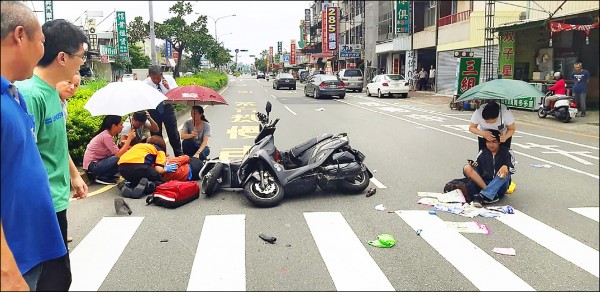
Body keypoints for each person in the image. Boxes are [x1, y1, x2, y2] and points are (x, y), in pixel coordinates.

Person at [15, 18, 89, 291]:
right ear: (62, 58)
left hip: (56, 200)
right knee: (52, 279)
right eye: (80, 57)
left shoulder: (51, 94)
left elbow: (54, 142)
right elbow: (23, 157)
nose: (81, 63)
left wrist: (73, 175)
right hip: (42, 204)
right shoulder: (30, 94)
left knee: (58, 276)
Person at [1, 2, 66, 290]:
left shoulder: (14, 94)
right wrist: (6, 272)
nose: (43, 52)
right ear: (19, 36)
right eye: (41, 41)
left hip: (33, 251)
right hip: (13, 263)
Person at [463, 130, 515, 208]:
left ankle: (484, 195)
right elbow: (478, 169)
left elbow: (512, 169)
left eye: (494, 142)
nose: (491, 145)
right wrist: (474, 165)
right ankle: (488, 194)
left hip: (499, 186)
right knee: (467, 167)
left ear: (499, 142)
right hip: (484, 183)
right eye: (488, 142)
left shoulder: (507, 152)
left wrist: (506, 167)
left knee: (505, 171)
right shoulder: (483, 152)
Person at [83, 115, 135, 185]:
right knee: (118, 158)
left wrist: (124, 144)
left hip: (96, 163)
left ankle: (106, 176)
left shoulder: (108, 135)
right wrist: (129, 139)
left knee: (121, 157)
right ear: (114, 126)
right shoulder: (106, 136)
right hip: (93, 166)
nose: (122, 126)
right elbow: (118, 154)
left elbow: (115, 152)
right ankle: (102, 177)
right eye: (121, 124)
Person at [145, 66, 183, 156]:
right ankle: (160, 156)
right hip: (154, 110)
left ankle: (179, 155)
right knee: (156, 135)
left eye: (158, 78)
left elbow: (177, 93)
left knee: (173, 133)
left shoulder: (169, 79)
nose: (156, 80)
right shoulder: (146, 83)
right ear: (149, 76)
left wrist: (168, 87)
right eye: (153, 78)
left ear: (161, 75)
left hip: (167, 108)